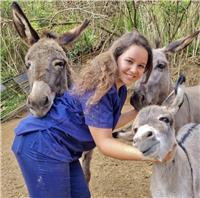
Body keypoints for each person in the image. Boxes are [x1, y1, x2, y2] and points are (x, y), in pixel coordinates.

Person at [12, 31, 157, 198]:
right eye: (129, 61)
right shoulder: (100, 87)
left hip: (63, 148)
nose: (134, 70)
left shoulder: (120, 89)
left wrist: (137, 111)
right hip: (40, 144)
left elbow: (104, 125)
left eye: (141, 65)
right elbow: (105, 143)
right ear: (116, 57)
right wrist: (150, 153)